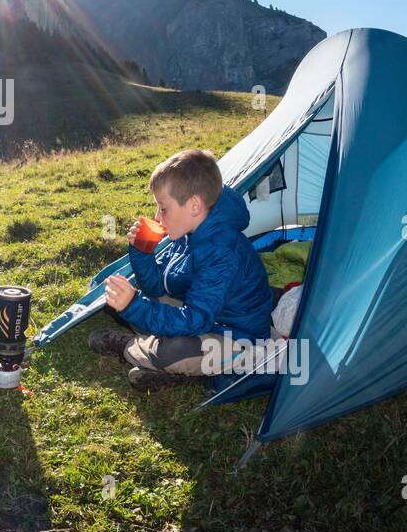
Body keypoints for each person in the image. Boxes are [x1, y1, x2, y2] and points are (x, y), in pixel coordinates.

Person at [88, 148, 274, 391]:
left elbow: (195, 320)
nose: (157, 216)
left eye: (163, 208)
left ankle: (129, 347)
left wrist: (134, 306)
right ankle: (167, 364)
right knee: (139, 303)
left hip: (238, 338)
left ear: (194, 205)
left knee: (173, 351)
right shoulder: (189, 233)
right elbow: (157, 286)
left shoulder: (221, 250)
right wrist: (142, 252)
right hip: (206, 320)